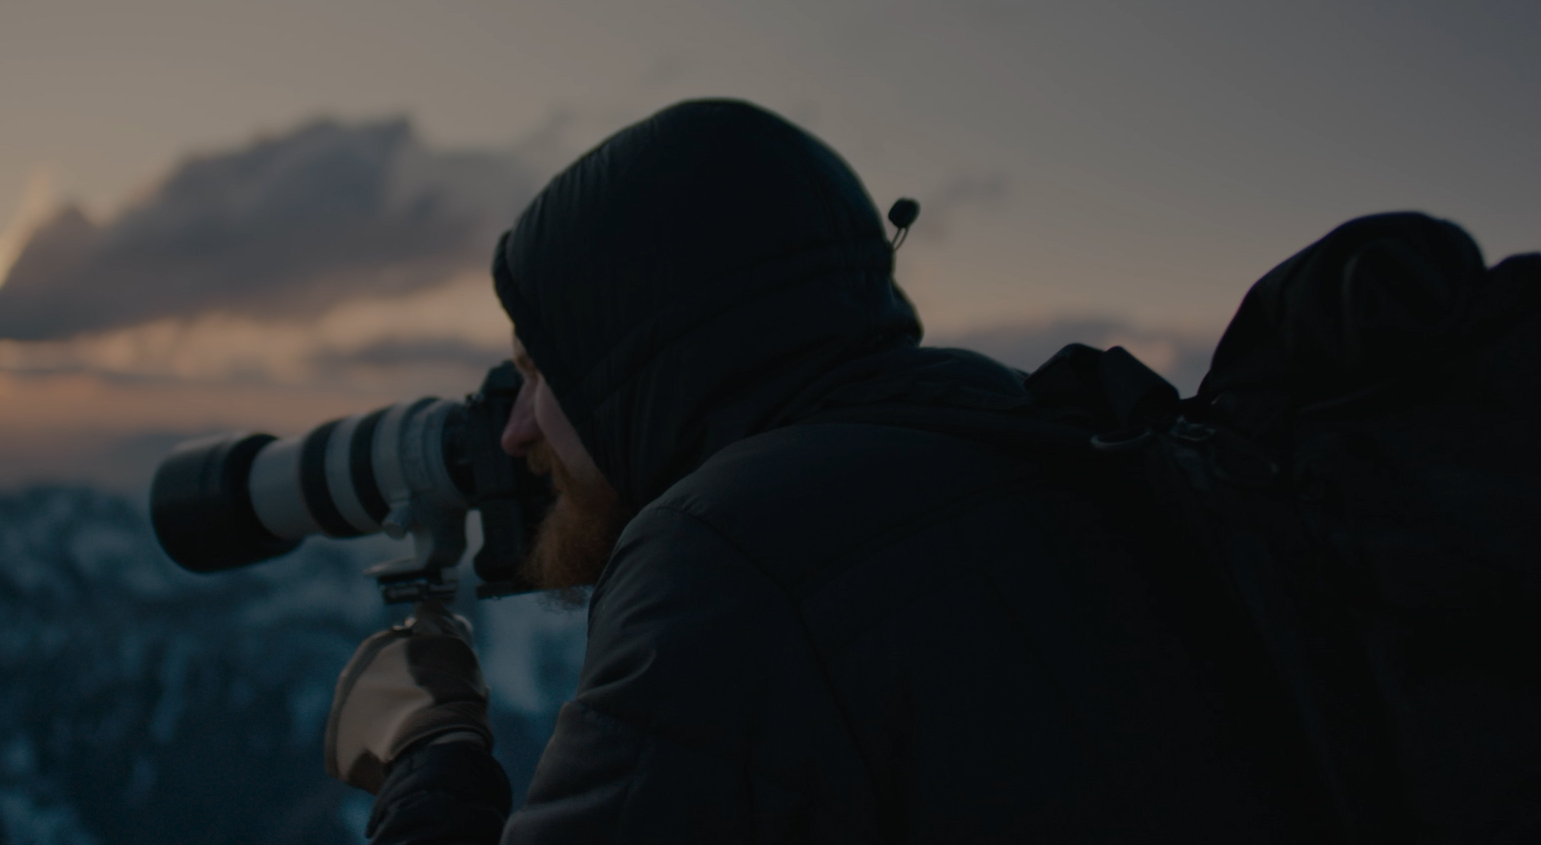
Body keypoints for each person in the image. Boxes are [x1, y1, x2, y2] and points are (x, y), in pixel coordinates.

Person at [323, 100, 1310, 842]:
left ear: (643, 366)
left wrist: (431, 758)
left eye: (541, 373)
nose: (514, 432)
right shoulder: (1044, 431)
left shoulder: (735, 566)